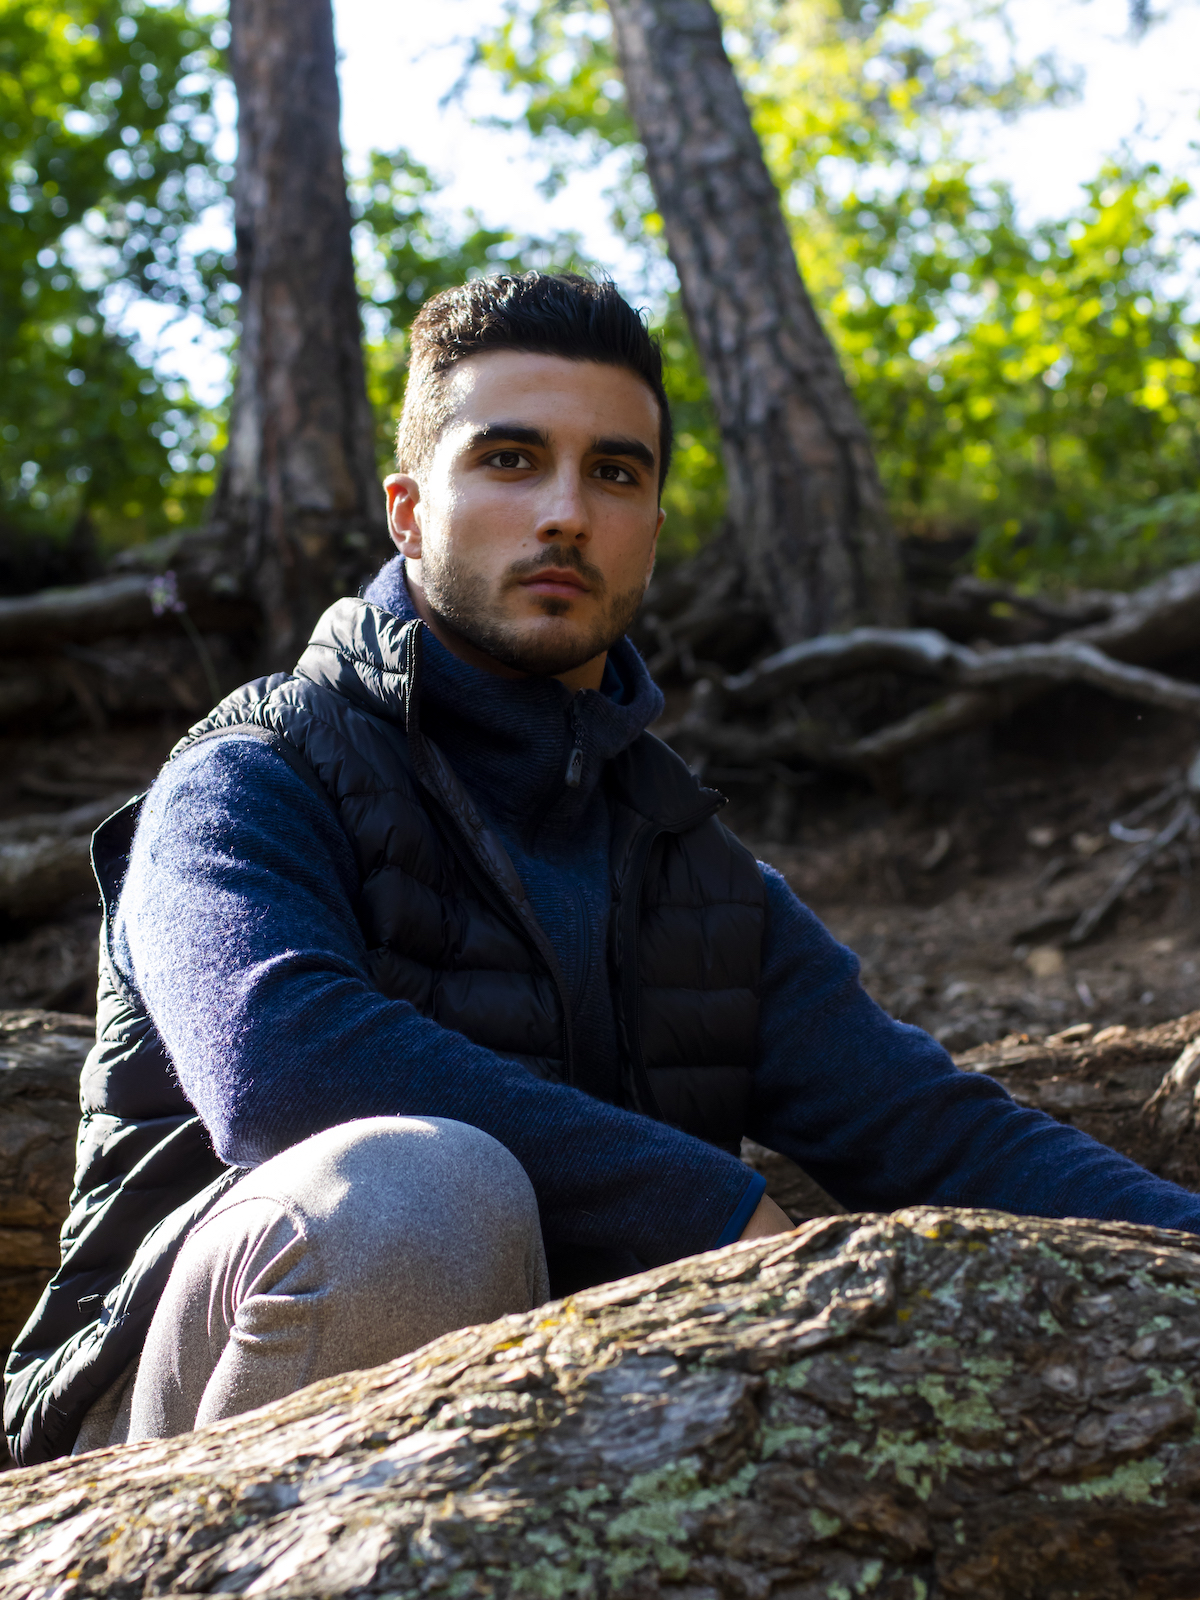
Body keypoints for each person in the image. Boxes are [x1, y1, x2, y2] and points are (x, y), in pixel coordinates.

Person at [7, 271, 1200, 1468]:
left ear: (654, 533)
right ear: (408, 512)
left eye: (615, 474)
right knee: (418, 1193)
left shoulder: (693, 871)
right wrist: (711, 1209)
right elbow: (277, 1062)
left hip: (539, 1437)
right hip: (160, 1431)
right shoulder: (253, 772)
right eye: (510, 460)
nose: (567, 513)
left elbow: (935, 1131)